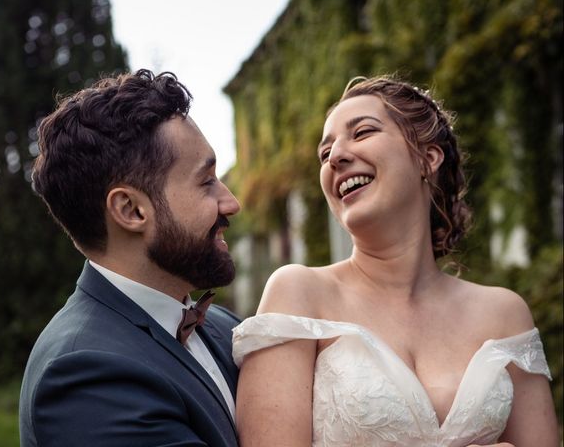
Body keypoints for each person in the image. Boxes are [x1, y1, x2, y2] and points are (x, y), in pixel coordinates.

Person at [232, 76, 558, 447]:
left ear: (427, 157)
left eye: (362, 132)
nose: (336, 156)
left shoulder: (505, 313)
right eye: (325, 154)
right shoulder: (299, 293)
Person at [19, 69, 241, 447]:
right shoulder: (86, 377)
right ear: (131, 210)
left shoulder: (223, 326)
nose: (231, 203)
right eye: (206, 182)